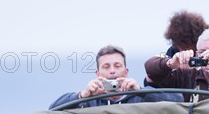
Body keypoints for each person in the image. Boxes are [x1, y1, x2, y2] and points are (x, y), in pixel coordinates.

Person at [50, 45, 183, 109]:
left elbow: (178, 101)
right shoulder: (89, 101)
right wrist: (82, 96)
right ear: (97, 74)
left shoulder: (140, 97)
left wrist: (141, 92)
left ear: (126, 72)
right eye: (106, 67)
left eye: (117, 66)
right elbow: (53, 109)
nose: (112, 71)